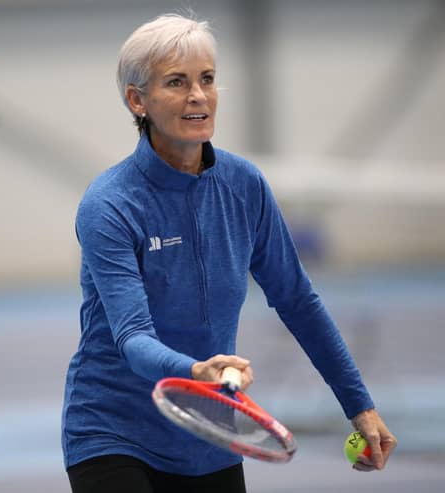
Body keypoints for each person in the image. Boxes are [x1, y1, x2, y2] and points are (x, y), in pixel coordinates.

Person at [61, 12, 396, 493]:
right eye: (176, 82)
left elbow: (298, 302)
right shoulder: (109, 205)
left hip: (211, 434)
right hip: (114, 434)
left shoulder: (245, 187)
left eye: (208, 79)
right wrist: (195, 370)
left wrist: (359, 405)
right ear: (138, 100)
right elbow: (132, 337)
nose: (198, 95)